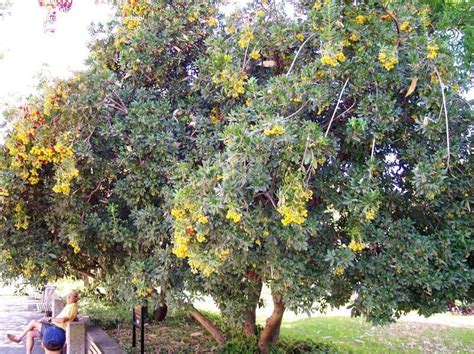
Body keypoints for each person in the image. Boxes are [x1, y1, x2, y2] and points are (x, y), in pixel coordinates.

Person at [7, 291, 79, 354]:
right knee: (30, 333)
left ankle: (18, 338)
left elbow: (63, 320)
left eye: (70, 296)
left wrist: (50, 319)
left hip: (56, 329)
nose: (68, 297)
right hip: (53, 327)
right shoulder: (70, 306)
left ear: (75, 298)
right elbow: (72, 317)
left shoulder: (72, 306)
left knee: (33, 322)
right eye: (68, 296)